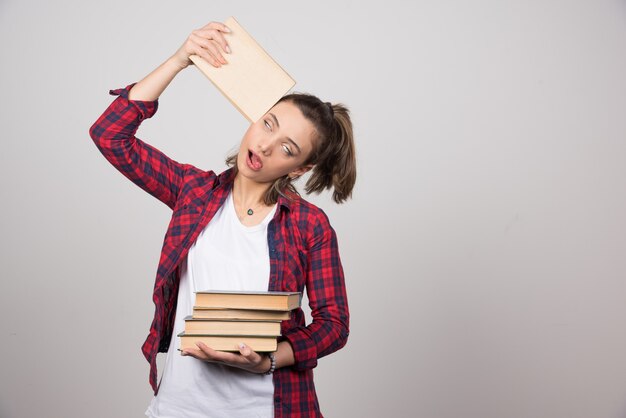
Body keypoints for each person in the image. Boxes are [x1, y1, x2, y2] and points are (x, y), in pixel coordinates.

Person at [89, 20, 355, 418]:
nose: (264, 145)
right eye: (268, 123)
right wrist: (181, 60)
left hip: (269, 406)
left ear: (299, 169)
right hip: (180, 407)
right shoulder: (193, 192)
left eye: (287, 147)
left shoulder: (308, 225)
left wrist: (270, 360)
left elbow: (334, 324)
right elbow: (110, 135)